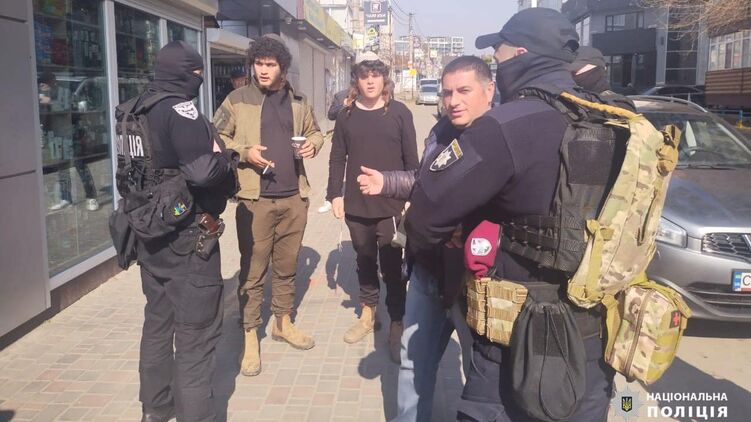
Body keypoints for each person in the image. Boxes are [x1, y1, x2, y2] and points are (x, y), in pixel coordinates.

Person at [404, 8, 614, 422]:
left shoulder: (504, 125)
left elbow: (424, 218)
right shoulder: (615, 118)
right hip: (593, 331)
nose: (496, 62)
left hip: (515, 336)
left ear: (520, 55)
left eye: (498, 53)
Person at [356, 55, 490, 421]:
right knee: (413, 363)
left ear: (488, 90)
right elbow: (423, 181)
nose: (453, 101)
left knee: (480, 376)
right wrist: (387, 181)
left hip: (473, 283)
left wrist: (466, 226)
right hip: (426, 271)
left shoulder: (498, 137)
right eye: (447, 92)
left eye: (464, 91)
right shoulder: (442, 131)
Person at [116, 40, 237, 422]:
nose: (199, 79)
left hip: (148, 235)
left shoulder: (133, 109)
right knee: (195, 340)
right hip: (188, 238)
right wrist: (227, 160)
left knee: (157, 323)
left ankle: (155, 410)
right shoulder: (181, 110)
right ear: (185, 74)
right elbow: (201, 173)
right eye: (197, 73)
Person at [213, 34, 324, 377]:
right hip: (254, 200)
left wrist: (314, 146)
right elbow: (216, 139)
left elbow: (316, 132)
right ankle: (250, 334)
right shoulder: (237, 100)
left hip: (293, 197)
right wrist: (245, 153)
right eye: (258, 64)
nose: (262, 70)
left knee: (287, 266)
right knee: (253, 270)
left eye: (270, 64)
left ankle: (282, 322)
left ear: (282, 68)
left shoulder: (299, 101)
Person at [326, 51, 419, 363]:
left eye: (375, 75)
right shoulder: (346, 115)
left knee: (393, 267)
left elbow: (412, 161)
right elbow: (337, 157)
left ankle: (396, 322)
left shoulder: (400, 113)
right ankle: (368, 314)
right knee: (364, 261)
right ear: (356, 80)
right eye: (364, 76)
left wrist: (410, 198)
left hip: (391, 206)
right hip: (357, 204)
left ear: (384, 78)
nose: (370, 81)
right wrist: (334, 195)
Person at [39, 71, 99, 211]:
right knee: (62, 169)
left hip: (71, 136)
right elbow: (43, 117)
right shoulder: (42, 96)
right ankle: (66, 198)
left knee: (80, 166)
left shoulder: (64, 92)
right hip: (56, 138)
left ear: (52, 81)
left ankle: (91, 197)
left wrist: (49, 102)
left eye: (44, 82)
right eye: (40, 83)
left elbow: (68, 108)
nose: (42, 85)